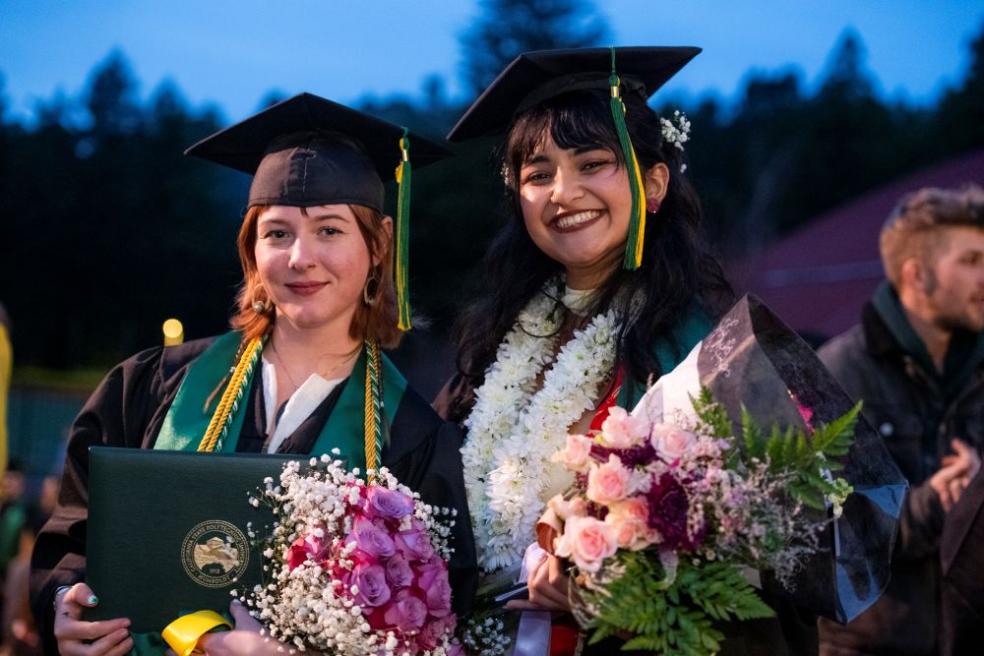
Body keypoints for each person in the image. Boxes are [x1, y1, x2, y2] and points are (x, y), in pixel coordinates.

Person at [29, 93, 477, 656]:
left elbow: (436, 614)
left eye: (331, 231)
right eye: (278, 233)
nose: (300, 258)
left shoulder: (413, 435)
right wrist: (65, 607)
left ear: (380, 243)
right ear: (251, 249)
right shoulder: (148, 384)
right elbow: (72, 541)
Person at [436, 47, 744, 654]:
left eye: (592, 163)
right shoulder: (494, 340)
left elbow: (732, 561)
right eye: (538, 172)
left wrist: (613, 594)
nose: (562, 192)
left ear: (653, 183)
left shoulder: (698, 350)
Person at [817, 184, 984, 655]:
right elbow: (823, 534)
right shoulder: (838, 373)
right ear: (917, 275)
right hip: (868, 646)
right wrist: (936, 503)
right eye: (970, 262)